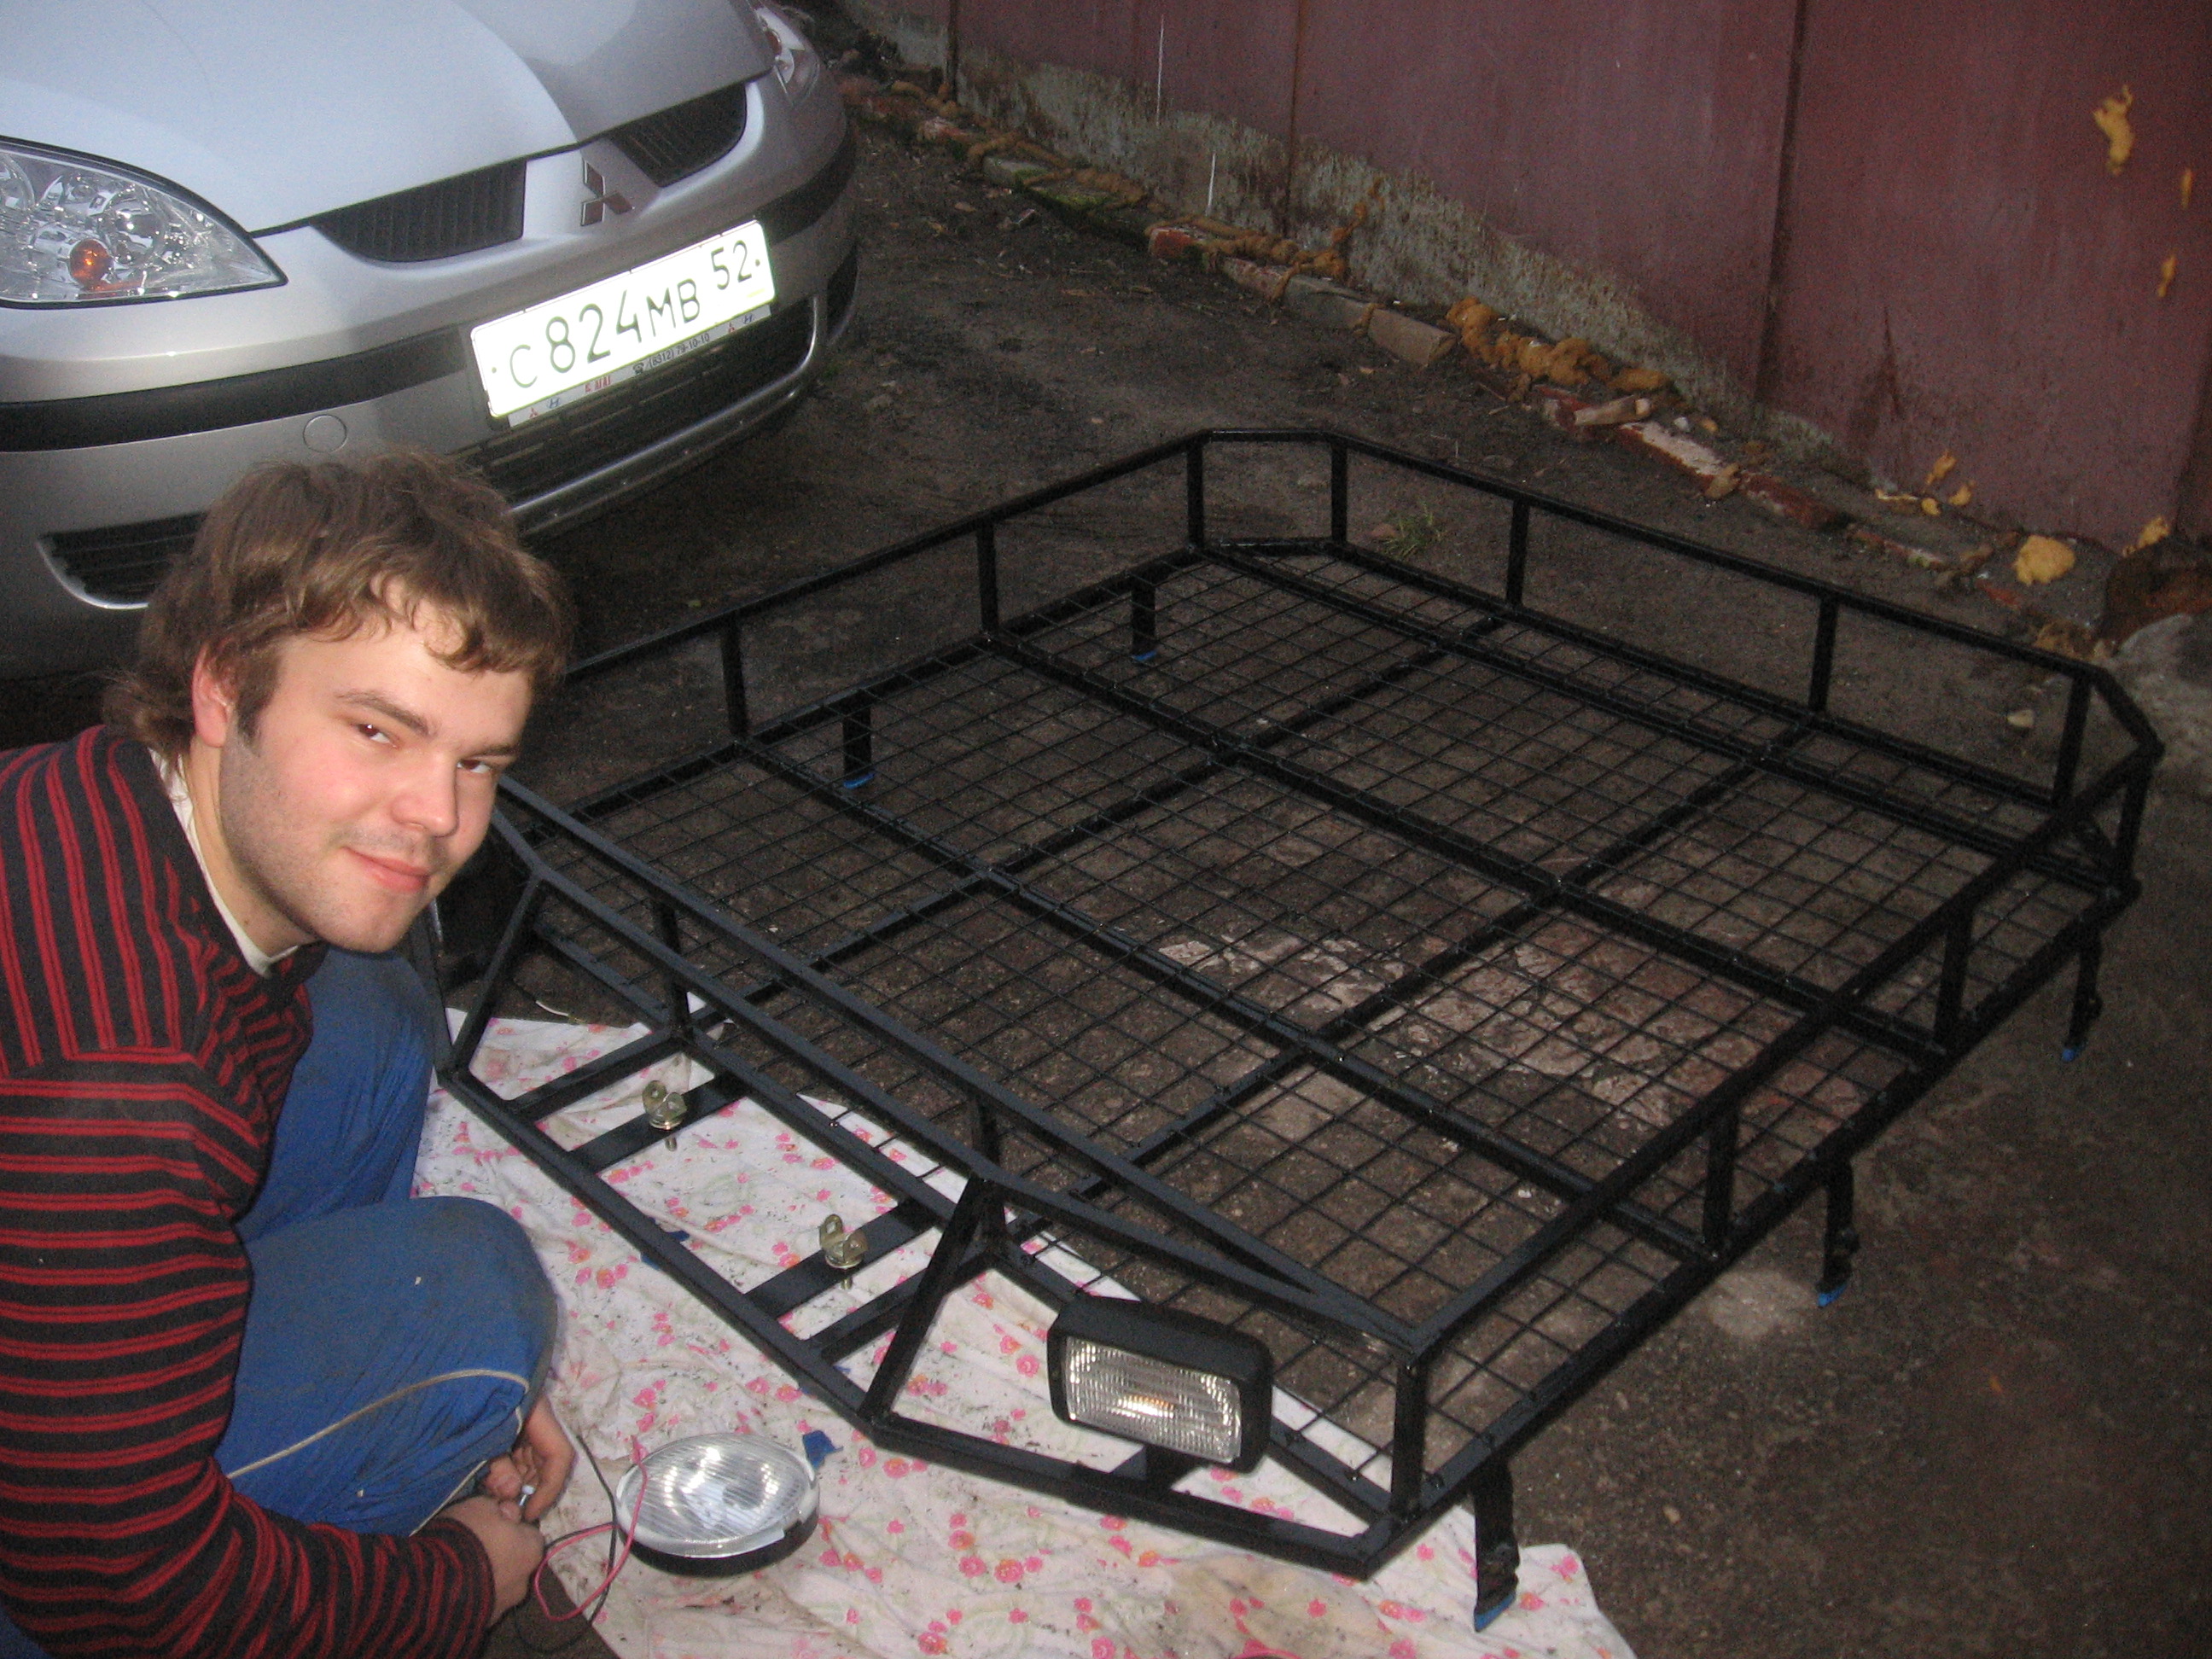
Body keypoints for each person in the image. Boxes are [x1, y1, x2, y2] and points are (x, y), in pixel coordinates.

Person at [0, 451, 578, 1657]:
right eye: (377, 730)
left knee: (363, 1010)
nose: (437, 815)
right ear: (223, 686)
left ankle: (233, 1383)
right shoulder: (121, 1093)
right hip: (47, 1568)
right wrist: (457, 1580)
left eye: (476, 763)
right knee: (476, 1305)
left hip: (63, 1302)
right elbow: (125, 1589)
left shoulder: (98, 793)